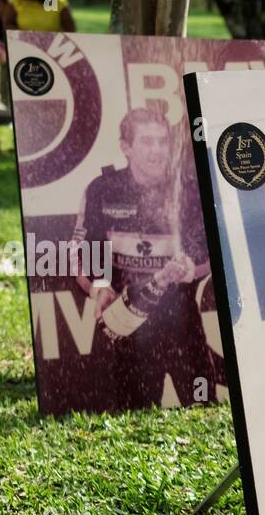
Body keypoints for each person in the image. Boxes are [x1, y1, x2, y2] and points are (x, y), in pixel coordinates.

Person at [71, 107, 213, 408]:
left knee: (204, 409)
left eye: (163, 141)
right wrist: (98, 286)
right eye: (147, 141)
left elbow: (213, 251)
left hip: (182, 324)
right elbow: (81, 252)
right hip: (129, 328)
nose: (157, 150)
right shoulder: (102, 189)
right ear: (126, 146)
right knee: (133, 417)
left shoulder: (188, 190)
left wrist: (192, 268)